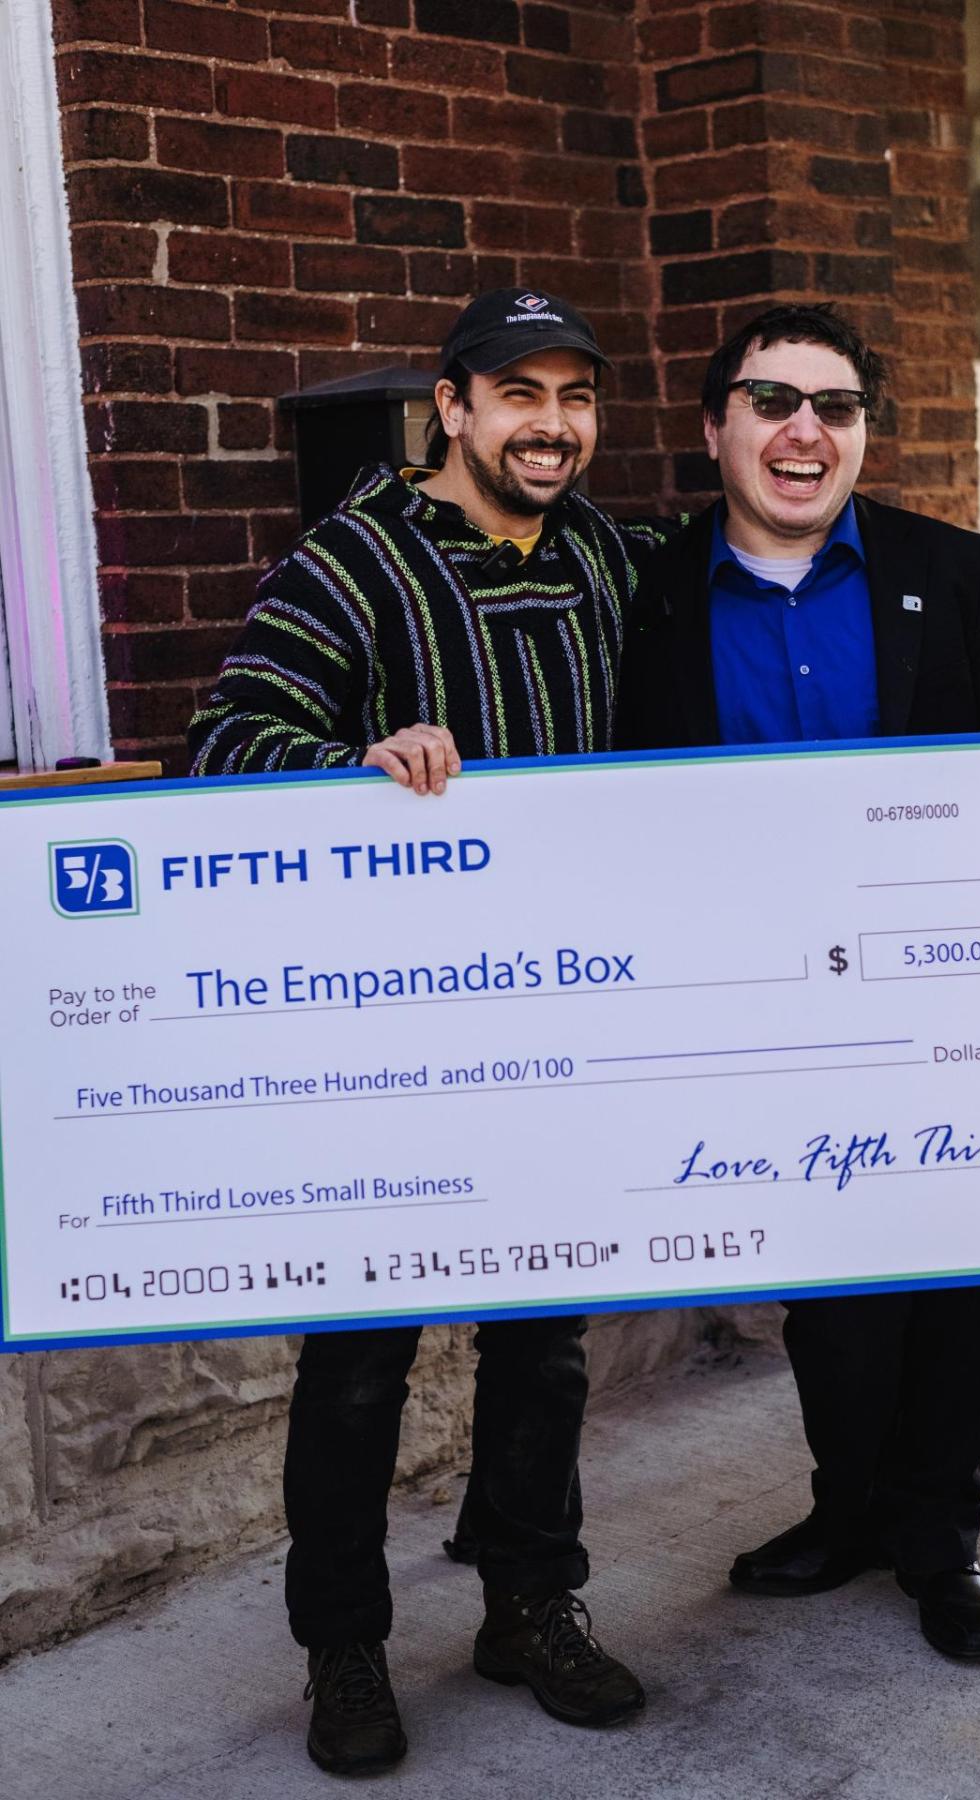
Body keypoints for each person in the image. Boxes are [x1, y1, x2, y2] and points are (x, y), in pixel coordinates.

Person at [189, 288, 668, 1775]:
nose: (552, 423)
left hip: (558, 1019)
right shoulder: (358, 554)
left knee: (546, 1343)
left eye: (575, 396)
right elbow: (223, 740)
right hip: (391, 1040)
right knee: (359, 1356)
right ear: (449, 409)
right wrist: (354, 757)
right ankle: (344, 1644)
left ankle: (529, 1601)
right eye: (517, 392)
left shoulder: (605, 555)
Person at [617, 301, 980, 1661]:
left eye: (837, 406)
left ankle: (942, 1531)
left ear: (860, 434)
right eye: (773, 400)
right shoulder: (655, 588)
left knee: (973, 1262)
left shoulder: (953, 568)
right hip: (764, 1001)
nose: (807, 429)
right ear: (716, 426)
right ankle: (851, 1505)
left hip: (941, 987)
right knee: (833, 1275)